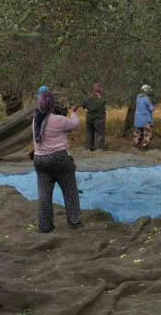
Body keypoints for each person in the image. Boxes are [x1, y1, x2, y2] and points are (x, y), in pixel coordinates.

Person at [31, 90, 82, 233]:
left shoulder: (36, 120)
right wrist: (73, 112)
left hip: (39, 160)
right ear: (52, 104)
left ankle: (45, 226)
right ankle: (74, 222)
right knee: (70, 190)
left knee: (44, 195)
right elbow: (75, 124)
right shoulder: (58, 120)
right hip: (59, 159)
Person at [82, 83, 107, 151]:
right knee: (100, 134)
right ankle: (99, 149)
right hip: (99, 119)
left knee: (89, 133)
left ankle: (89, 148)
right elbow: (102, 104)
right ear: (100, 89)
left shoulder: (88, 97)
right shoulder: (101, 98)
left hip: (89, 118)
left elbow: (84, 105)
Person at [133, 84, 156, 149]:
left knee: (137, 132)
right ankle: (145, 146)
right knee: (147, 133)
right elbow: (151, 109)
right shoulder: (146, 99)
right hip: (146, 119)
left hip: (137, 119)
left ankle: (136, 144)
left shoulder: (137, 97)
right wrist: (154, 106)